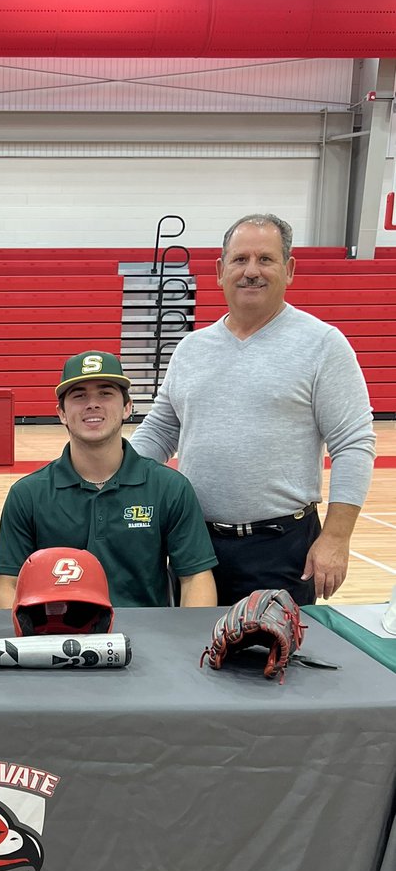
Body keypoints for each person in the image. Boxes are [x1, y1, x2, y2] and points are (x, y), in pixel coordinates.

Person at [130, 213, 376, 606]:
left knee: (273, 664)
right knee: (188, 657)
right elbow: (160, 431)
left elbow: (354, 444)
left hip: (281, 549)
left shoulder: (323, 345)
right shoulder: (191, 349)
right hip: (195, 546)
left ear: (289, 269)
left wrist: (335, 537)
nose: (251, 272)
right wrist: (109, 478)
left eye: (266, 259)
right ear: (219, 270)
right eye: (240, 259)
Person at [0, 351, 218, 610]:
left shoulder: (170, 488)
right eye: (79, 396)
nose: (93, 404)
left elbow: (195, 578)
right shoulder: (27, 495)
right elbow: (8, 585)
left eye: (105, 393)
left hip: (147, 639)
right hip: (56, 637)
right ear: (61, 413)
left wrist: (190, 645)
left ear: (127, 407)